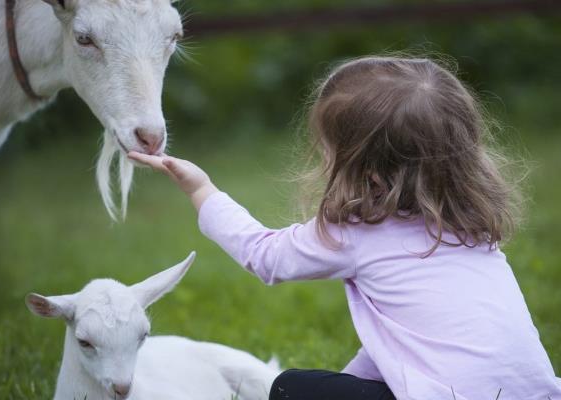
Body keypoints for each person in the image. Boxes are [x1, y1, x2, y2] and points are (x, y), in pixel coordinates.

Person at [128, 56, 561, 400]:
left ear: (367, 172)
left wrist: (201, 189)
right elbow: (403, 340)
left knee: (289, 388)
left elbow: (263, 255)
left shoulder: (357, 233)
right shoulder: (473, 228)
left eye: (330, 151)